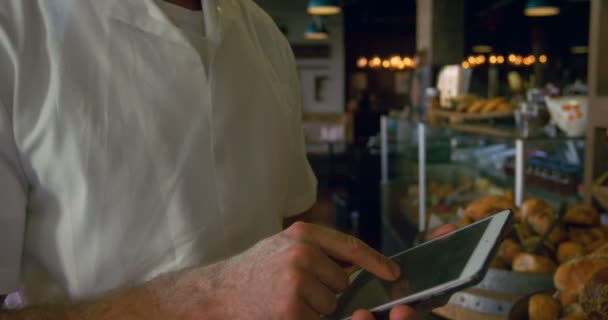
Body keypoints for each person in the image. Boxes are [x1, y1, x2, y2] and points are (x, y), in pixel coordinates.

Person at [0, 0, 416, 319]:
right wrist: (210, 298)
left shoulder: (265, 36)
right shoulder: (15, 28)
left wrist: (373, 290)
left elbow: (294, 231)